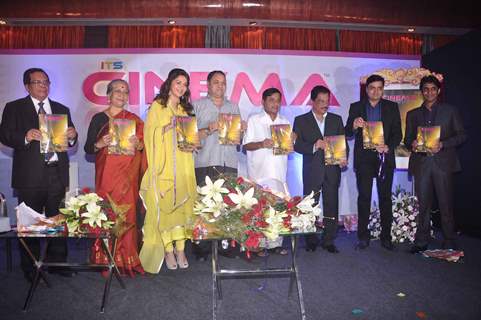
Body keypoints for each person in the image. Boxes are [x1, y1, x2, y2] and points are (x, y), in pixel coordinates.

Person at [0, 68, 77, 281]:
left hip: (56, 174)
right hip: (30, 176)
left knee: (57, 221)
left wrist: (72, 136)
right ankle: (31, 267)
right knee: (31, 224)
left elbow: (72, 140)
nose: (43, 85)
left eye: (46, 82)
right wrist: (24, 136)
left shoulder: (61, 108)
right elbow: (4, 134)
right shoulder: (15, 107)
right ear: (27, 86)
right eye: (37, 82)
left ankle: (57, 263)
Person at [84, 79, 145, 276]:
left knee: (128, 216)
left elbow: (144, 149)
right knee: (106, 214)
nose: (121, 94)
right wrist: (100, 143)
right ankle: (104, 257)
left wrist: (138, 145)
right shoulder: (98, 119)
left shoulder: (134, 120)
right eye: (117, 90)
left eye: (125, 91)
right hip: (106, 177)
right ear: (108, 95)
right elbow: (88, 148)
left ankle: (126, 258)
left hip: (127, 178)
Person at [139, 68, 197, 272]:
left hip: (182, 166)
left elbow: (189, 138)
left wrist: (193, 143)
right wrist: (167, 128)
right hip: (163, 168)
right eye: (178, 82)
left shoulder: (185, 110)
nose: (182, 87)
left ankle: (181, 249)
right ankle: (168, 249)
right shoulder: (158, 106)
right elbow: (150, 133)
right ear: (170, 83)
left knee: (181, 209)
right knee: (165, 210)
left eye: (185, 84)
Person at [404, 75, 466, 253]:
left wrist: (443, 144)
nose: (429, 92)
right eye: (425, 89)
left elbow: (462, 135)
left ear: (438, 91)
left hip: (443, 164)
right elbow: (407, 139)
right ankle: (422, 240)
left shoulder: (450, 111)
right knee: (423, 205)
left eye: (432, 89)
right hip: (422, 164)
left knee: (446, 204)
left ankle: (448, 239)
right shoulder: (412, 114)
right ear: (421, 92)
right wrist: (412, 144)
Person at [192, 70, 246, 260]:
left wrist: (242, 131)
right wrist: (209, 128)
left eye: (223, 83)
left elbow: (238, 140)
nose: (220, 86)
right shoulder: (197, 106)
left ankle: (226, 245)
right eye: (216, 82)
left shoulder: (233, 106)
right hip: (206, 161)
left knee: (227, 205)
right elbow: (190, 137)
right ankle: (202, 249)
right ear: (208, 84)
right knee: (205, 206)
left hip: (228, 161)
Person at [345, 74, 402, 251]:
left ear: (383, 89)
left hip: (384, 158)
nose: (376, 91)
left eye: (379, 88)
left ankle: (386, 237)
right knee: (364, 198)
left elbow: (398, 134)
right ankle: (363, 237)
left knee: (385, 198)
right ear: (366, 89)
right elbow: (347, 133)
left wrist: (388, 146)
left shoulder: (392, 107)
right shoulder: (356, 107)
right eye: (372, 88)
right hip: (364, 160)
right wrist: (354, 125)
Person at [293, 85, 348, 253]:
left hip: (332, 170)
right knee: (309, 205)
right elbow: (296, 145)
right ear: (312, 101)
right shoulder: (301, 120)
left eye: (327, 101)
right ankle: (310, 239)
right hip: (312, 170)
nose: (325, 104)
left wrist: (344, 158)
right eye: (321, 101)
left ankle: (329, 240)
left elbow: (343, 143)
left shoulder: (336, 119)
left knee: (332, 204)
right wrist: (314, 146)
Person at [243, 88, 289, 256]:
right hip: (259, 172)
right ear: (263, 102)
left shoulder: (285, 122)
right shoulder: (254, 120)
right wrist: (262, 143)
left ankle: (275, 244)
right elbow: (246, 145)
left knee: (277, 209)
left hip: (279, 172)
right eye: (271, 100)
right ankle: (258, 245)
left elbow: (288, 148)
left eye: (278, 100)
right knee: (259, 209)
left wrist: (292, 140)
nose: (275, 104)